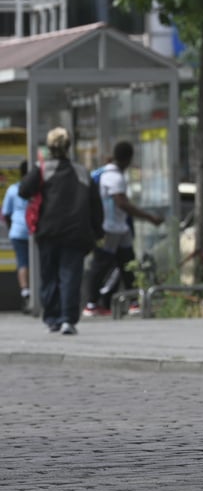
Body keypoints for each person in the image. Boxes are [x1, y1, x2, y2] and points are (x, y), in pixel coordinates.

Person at [18, 127, 103, 335]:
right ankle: (68, 319)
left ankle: (52, 318)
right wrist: (97, 230)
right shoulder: (82, 172)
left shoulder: (42, 169)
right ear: (69, 147)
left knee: (49, 276)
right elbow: (95, 205)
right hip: (76, 233)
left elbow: (23, 190)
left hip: (49, 231)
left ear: (49, 147)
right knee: (70, 276)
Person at [83, 141, 163, 317]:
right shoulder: (114, 177)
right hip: (110, 228)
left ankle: (133, 302)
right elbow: (122, 203)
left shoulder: (105, 172)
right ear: (127, 158)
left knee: (127, 264)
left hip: (119, 228)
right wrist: (149, 217)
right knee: (101, 265)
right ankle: (91, 304)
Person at [2, 160, 31, 312]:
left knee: (22, 262)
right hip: (35, 230)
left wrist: (12, 227)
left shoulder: (13, 190)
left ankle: (25, 291)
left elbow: (6, 213)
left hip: (18, 230)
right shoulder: (38, 189)